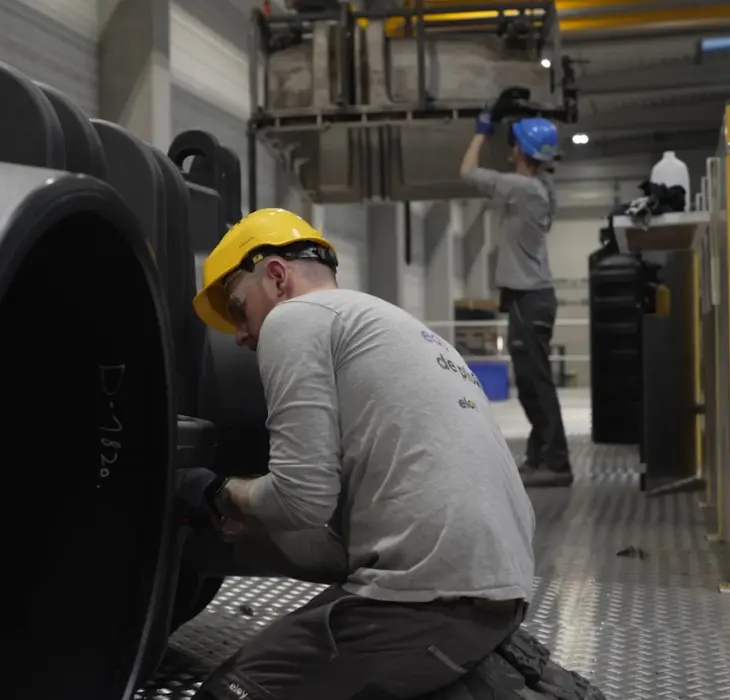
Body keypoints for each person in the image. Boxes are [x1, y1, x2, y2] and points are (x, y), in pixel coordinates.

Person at [176, 208, 536, 700]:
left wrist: (217, 493)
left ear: (277, 277)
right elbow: (331, 523)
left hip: (426, 603)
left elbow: (303, 501)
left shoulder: (294, 320)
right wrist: (251, 516)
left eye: (238, 309)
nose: (239, 334)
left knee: (229, 693)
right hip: (501, 593)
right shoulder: (390, 324)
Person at [459, 111, 573, 488]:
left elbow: (469, 173)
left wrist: (480, 133)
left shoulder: (524, 189)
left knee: (536, 383)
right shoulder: (540, 187)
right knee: (529, 383)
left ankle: (556, 462)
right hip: (532, 297)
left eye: (514, 143)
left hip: (530, 297)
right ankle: (540, 455)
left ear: (520, 151)